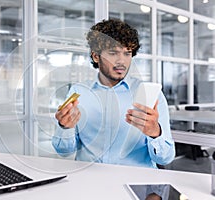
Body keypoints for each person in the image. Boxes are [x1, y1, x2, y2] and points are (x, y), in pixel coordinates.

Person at [52, 18, 175, 168]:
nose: (121, 61)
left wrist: (155, 132)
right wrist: (65, 127)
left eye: (127, 53)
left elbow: (166, 158)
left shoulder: (151, 95)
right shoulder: (79, 92)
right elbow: (63, 151)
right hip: (89, 181)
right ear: (96, 56)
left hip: (135, 183)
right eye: (113, 53)